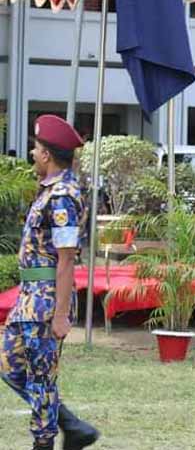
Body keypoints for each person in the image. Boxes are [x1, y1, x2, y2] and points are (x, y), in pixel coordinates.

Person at [0, 114, 99, 450]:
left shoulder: (62, 196)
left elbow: (67, 256)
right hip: (30, 296)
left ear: (47, 155)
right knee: (9, 364)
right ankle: (71, 424)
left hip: (45, 300)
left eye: (36, 148)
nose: (32, 153)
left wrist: (60, 313)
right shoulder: (51, 190)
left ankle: (45, 442)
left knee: (41, 377)